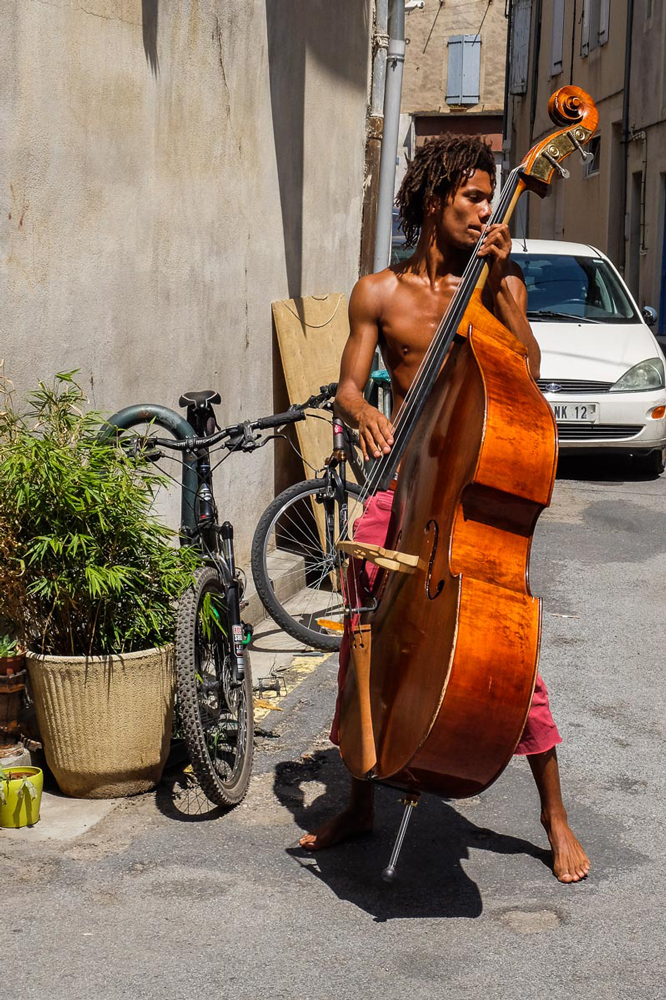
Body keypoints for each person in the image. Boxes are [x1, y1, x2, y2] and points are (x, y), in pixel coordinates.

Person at [299, 134, 590, 884]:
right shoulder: (379, 293)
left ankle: (554, 815)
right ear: (435, 201)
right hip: (405, 485)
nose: (486, 210)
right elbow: (351, 385)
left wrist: (497, 286)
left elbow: (526, 367)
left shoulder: (502, 282)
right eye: (471, 197)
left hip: (469, 491)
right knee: (364, 620)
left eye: (492, 198)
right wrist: (360, 409)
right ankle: (363, 794)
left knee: (505, 651)